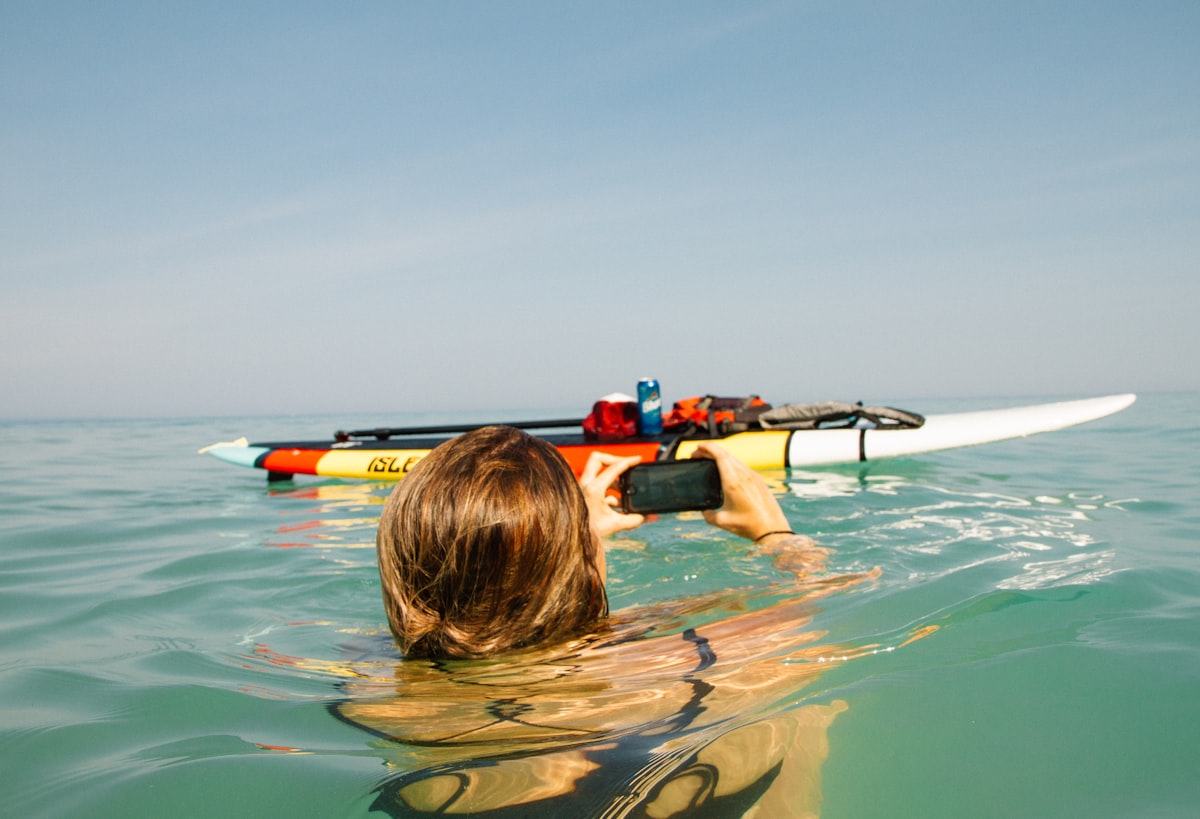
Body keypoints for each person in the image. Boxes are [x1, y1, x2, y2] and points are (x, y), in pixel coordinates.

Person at [350, 424, 871, 816]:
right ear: (580, 559)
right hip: (647, 787)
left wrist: (571, 538)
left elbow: (487, 630)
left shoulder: (365, 686)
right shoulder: (702, 662)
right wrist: (775, 534)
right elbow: (832, 595)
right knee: (808, 714)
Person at [375, 424, 810, 659]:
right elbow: (820, 605)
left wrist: (567, 534)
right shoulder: (680, 670)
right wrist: (775, 533)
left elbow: (479, 617)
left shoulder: (363, 676)